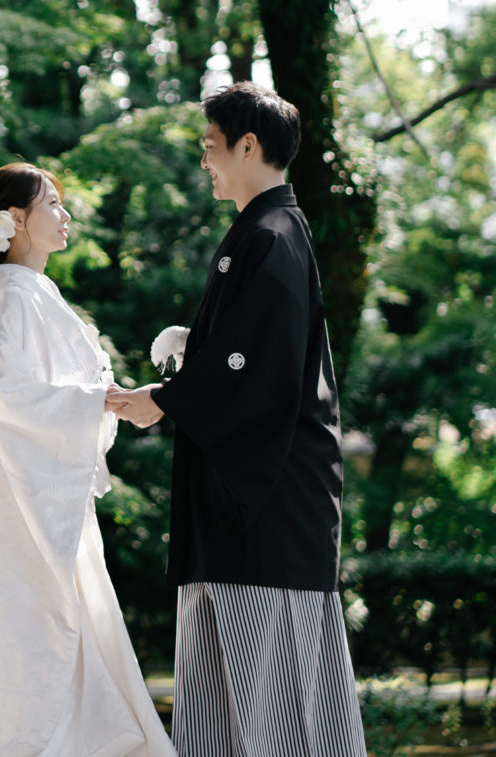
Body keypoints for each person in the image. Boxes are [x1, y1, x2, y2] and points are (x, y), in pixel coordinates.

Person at [108, 83, 366, 757]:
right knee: (229, 699)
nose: (205, 162)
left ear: (248, 146)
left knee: (267, 700)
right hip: (251, 506)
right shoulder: (265, 231)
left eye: (211, 146)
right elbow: (245, 351)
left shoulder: (272, 234)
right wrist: (192, 356)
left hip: (266, 510)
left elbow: (253, 363)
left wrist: (166, 398)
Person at [0, 163, 176, 757]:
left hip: (43, 493)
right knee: (51, 634)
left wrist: (96, 402)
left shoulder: (26, 297)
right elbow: (7, 397)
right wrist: (99, 401)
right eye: (53, 204)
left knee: (60, 632)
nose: (65, 216)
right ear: (16, 219)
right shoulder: (14, 299)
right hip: (32, 503)